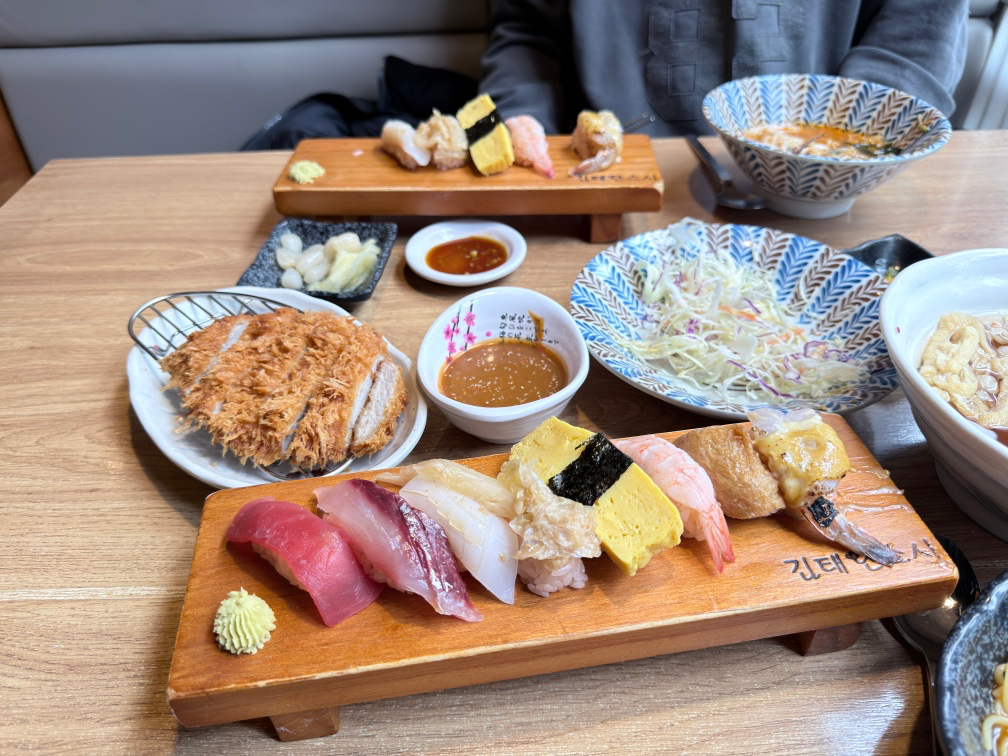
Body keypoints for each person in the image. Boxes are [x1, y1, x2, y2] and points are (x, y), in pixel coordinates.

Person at [479, 0, 969, 135]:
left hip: (838, 182)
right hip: (610, 174)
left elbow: (916, 33)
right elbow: (524, 29)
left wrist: (841, 150)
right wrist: (515, 122)